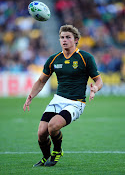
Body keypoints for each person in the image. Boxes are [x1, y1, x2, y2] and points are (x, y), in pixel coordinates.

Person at [23, 24, 103, 167]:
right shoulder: (54, 59)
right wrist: (30, 96)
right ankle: (46, 156)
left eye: (68, 37)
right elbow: (41, 80)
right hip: (58, 99)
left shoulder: (85, 57)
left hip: (76, 102)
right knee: (41, 132)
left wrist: (95, 88)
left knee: (53, 126)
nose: (64, 40)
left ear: (76, 40)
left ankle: (57, 151)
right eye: (62, 37)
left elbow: (98, 79)